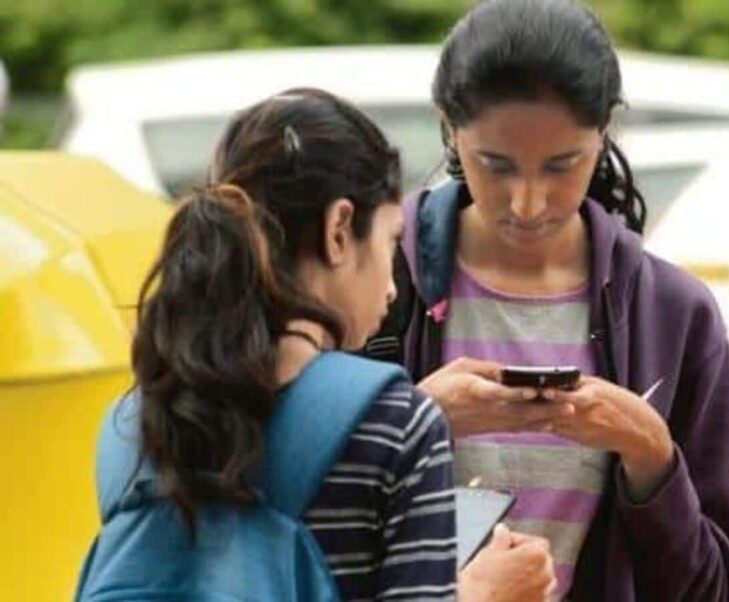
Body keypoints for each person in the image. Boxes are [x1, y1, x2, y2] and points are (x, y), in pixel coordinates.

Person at [99, 88, 555, 601]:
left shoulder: (135, 421)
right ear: (339, 229)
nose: (389, 286)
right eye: (389, 240)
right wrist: (483, 594)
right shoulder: (394, 423)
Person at [363, 1, 729, 599]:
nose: (529, 203)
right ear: (449, 128)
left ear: (604, 133)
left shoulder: (672, 314)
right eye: (496, 166)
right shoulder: (374, 282)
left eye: (563, 166)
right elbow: (300, 535)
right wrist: (414, 422)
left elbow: (707, 590)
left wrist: (649, 453)